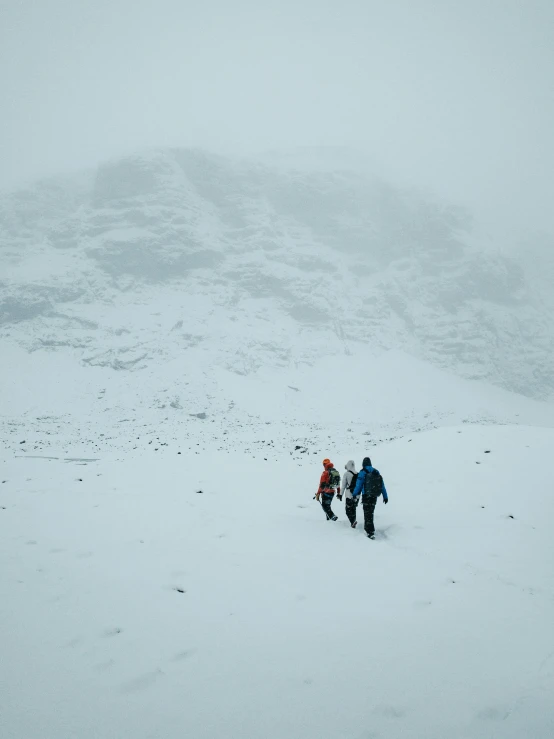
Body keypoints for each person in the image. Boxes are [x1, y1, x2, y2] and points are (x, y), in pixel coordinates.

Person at [352, 456, 388, 539]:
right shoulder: (376, 471)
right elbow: (382, 485)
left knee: (367, 513)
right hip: (374, 496)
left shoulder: (363, 472)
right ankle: (370, 529)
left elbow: (359, 485)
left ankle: (370, 531)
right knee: (370, 512)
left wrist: (355, 494)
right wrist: (385, 496)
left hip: (366, 496)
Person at [340, 460, 359, 528]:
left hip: (349, 494)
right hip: (356, 495)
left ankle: (352, 521)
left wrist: (340, 495)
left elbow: (343, 486)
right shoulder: (357, 473)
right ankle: (353, 522)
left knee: (348, 510)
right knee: (353, 509)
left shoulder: (346, 474)